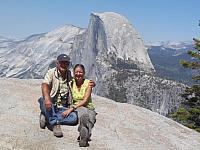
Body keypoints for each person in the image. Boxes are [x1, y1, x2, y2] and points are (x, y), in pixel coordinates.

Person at [38, 54, 78, 138]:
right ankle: (54, 123)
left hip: (63, 108)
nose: (64, 65)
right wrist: (47, 99)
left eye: (66, 63)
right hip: (52, 104)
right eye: (61, 62)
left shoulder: (69, 74)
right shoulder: (51, 72)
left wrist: (89, 83)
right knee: (42, 100)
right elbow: (44, 85)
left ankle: (46, 116)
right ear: (57, 63)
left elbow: (79, 81)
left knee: (74, 118)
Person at [68, 64, 97, 147]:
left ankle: (83, 133)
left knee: (92, 118)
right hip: (77, 106)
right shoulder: (71, 83)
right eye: (76, 72)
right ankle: (85, 137)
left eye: (80, 72)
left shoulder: (88, 83)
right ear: (73, 73)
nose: (78, 74)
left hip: (89, 106)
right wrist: (72, 107)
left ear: (84, 73)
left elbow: (85, 100)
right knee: (84, 114)